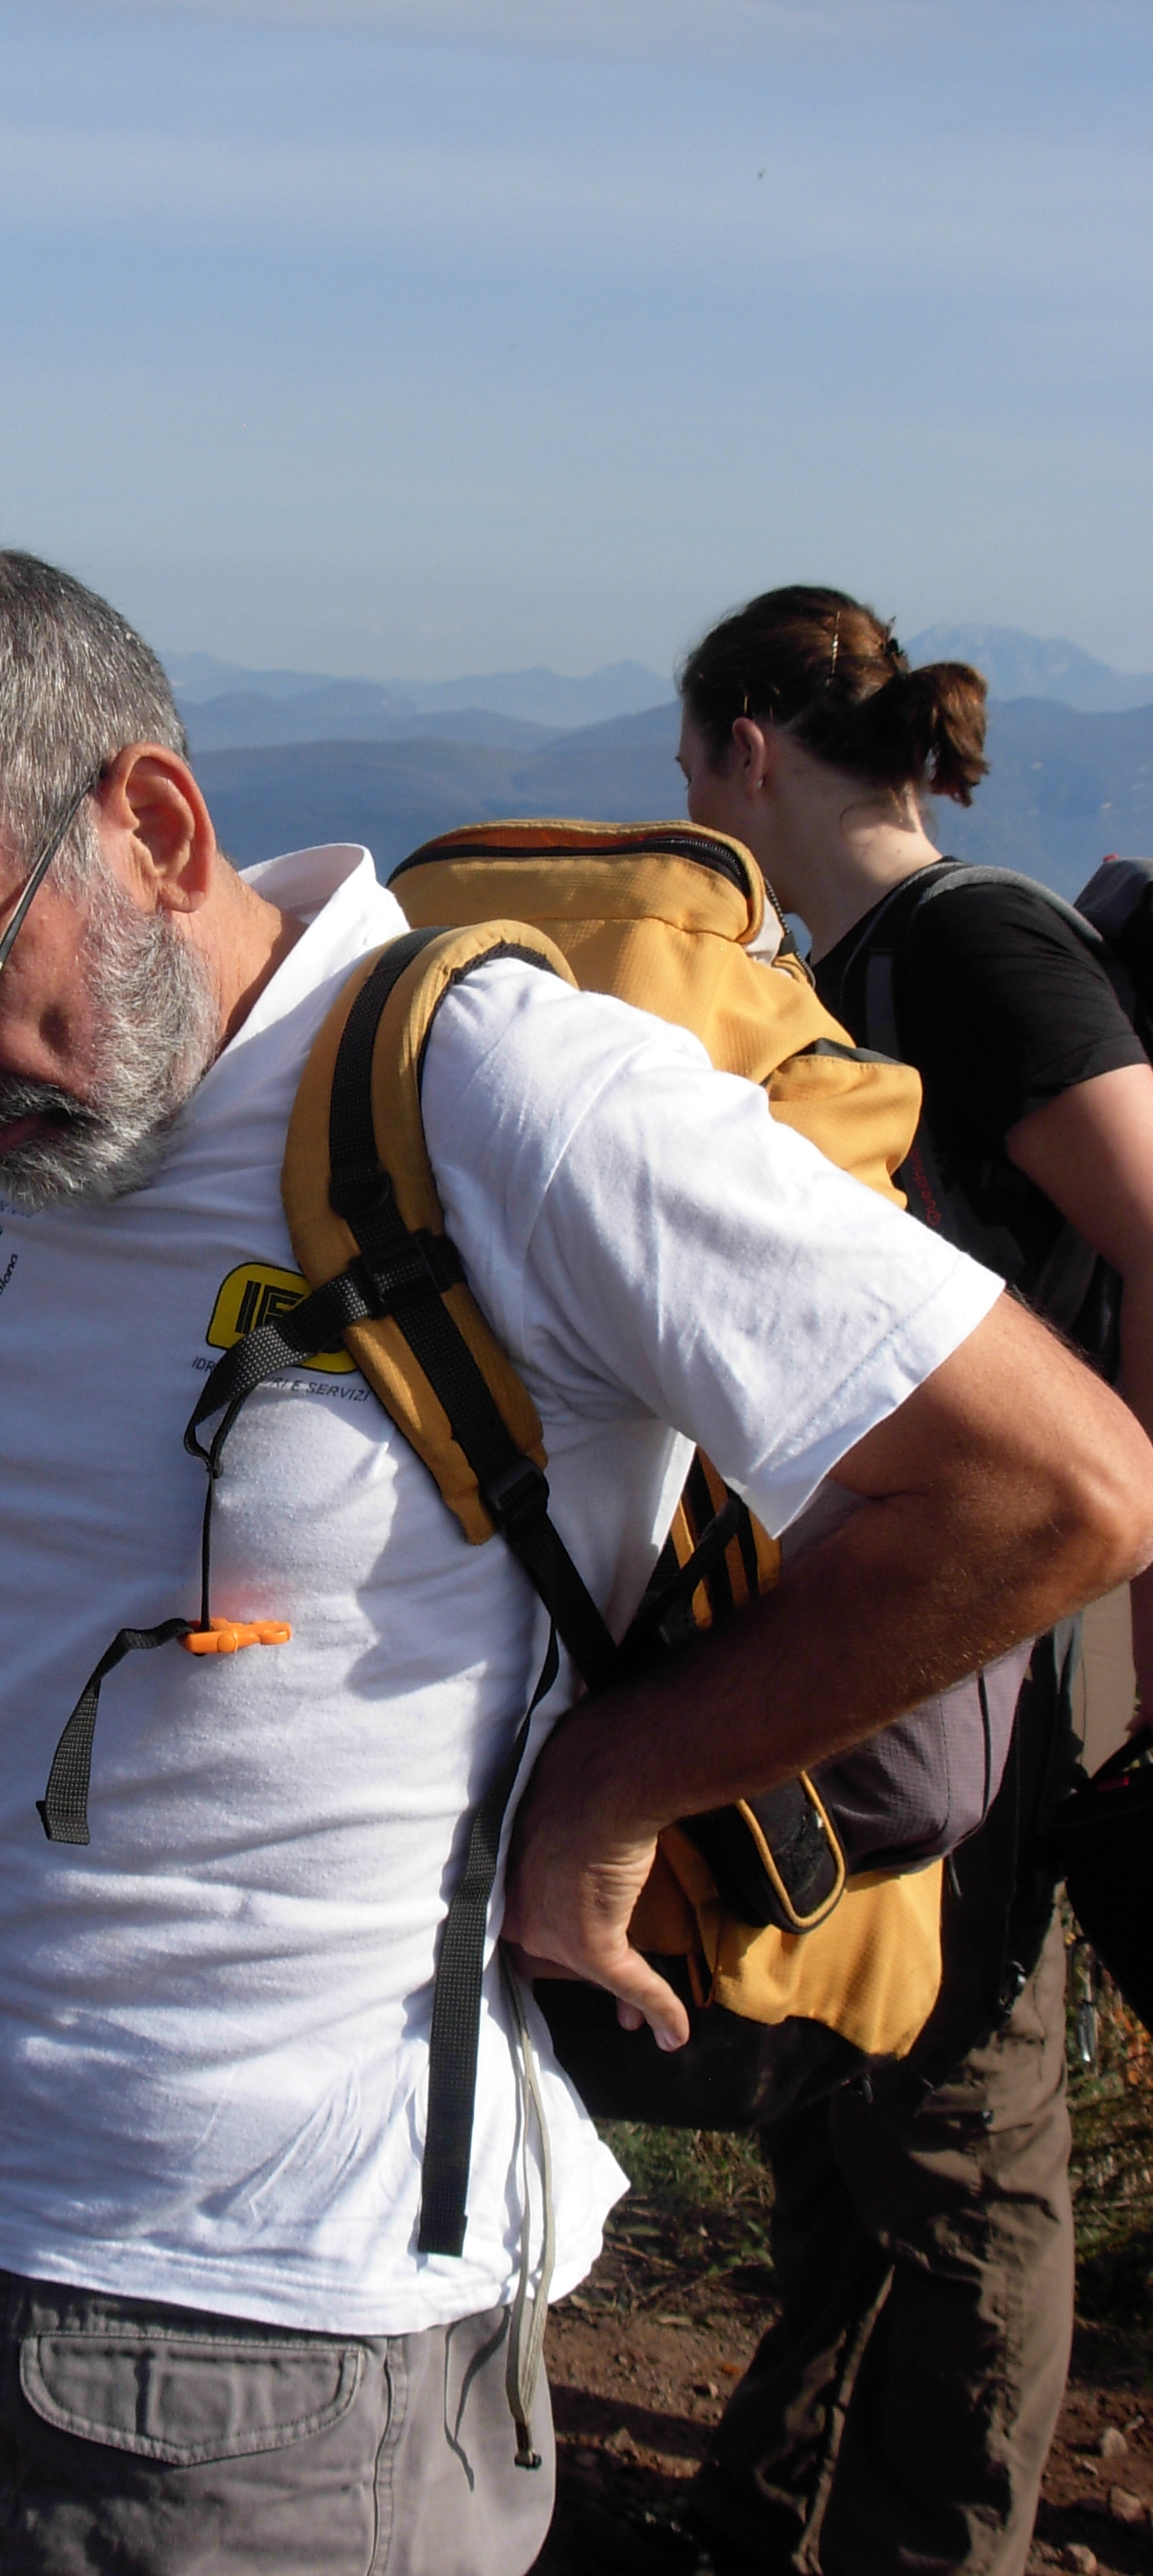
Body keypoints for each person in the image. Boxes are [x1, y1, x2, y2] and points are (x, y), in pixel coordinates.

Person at [0, 542, 1153, 2576]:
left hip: (265, 2342)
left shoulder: (504, 1098)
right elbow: (45, 1518)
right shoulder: (44, 1117)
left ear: (153, 828)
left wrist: (618, 1783)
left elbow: (1055, 1487)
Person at [666, 584, 1153, 2576]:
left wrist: (1129, 1585)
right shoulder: (849, 966)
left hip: (1001, 1625)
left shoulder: (973, 950)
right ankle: (767, 2511)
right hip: (906, 1614)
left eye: (690, 765)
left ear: (745, 751)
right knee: (849, 2090)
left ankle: (928, 2548)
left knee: (958, 2121)